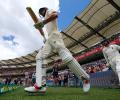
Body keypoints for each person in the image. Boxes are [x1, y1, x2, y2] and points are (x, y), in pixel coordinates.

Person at [24, 7, 90, 93]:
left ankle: (85, 78)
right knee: (39, 57)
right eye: (41, 12)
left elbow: (55, 15)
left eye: (42, 11)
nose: (42, 13)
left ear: (45, 9)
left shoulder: (49, 11)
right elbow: (47, 26)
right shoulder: (46, 19)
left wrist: (42, 22)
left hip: (55, 36)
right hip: (50, 38)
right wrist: (45, 38)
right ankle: (41, 85)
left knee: (66, 57)